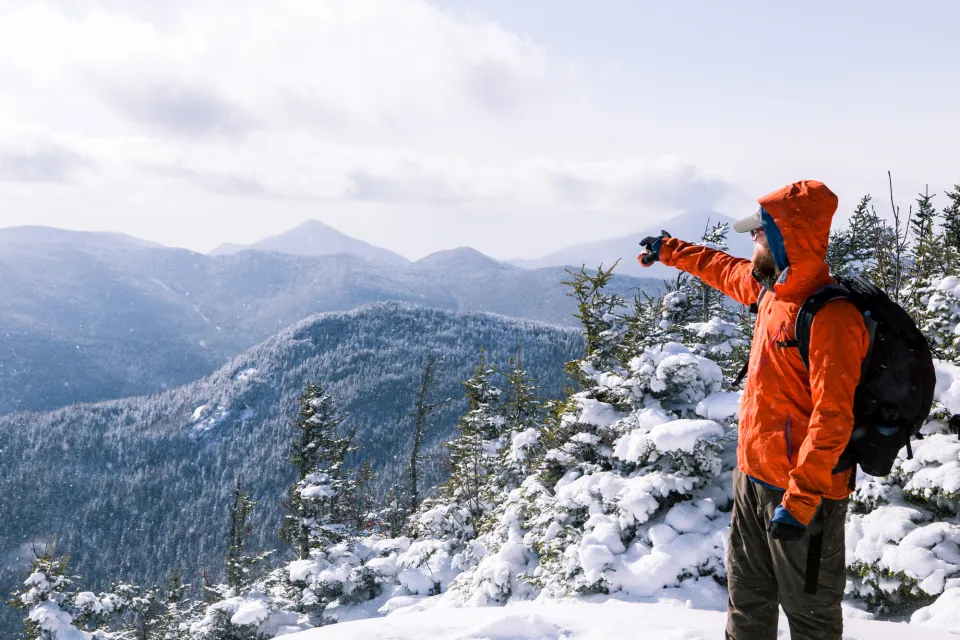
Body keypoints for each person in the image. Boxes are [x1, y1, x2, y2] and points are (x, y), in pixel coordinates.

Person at [637, 180, 869, 640]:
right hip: (754, 477)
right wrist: (670, 250)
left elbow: (833, 418)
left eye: (759, 234)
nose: (751, 241)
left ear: (787, 237)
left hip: (807, 494)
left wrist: (801, 500)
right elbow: (722, 268)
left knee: (811, 619)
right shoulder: (771, 292)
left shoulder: (831, 317)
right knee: (747, 605)